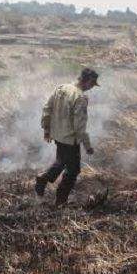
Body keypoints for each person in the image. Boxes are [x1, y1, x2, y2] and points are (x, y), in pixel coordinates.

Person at [35, 68, 100, 206]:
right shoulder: (80, 97)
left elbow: (47, 108)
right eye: (93, 84)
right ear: (88, 81)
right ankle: (59, 199)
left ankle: (46, 182)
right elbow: (79, 127)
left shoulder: (62, 88)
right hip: (71, 139)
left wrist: (47, 128)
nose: (92, 87)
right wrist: (87, 146)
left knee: (61, 162)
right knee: (72, 171)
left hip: (58, 136)